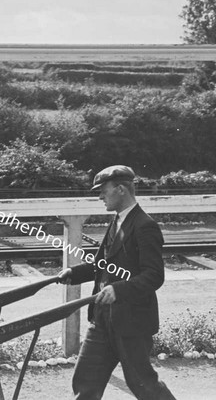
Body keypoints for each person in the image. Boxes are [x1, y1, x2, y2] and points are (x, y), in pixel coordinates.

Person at [57, 165, 176, 400]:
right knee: (86, 381)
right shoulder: (117, 222)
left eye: (103, 190)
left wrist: (118, 289)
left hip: (131, 321)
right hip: (103, 319)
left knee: (144, 385)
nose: (100, 196)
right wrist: (74, 272)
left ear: (121, 189)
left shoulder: (144, 225)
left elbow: (154, 275)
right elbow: (103, 264)